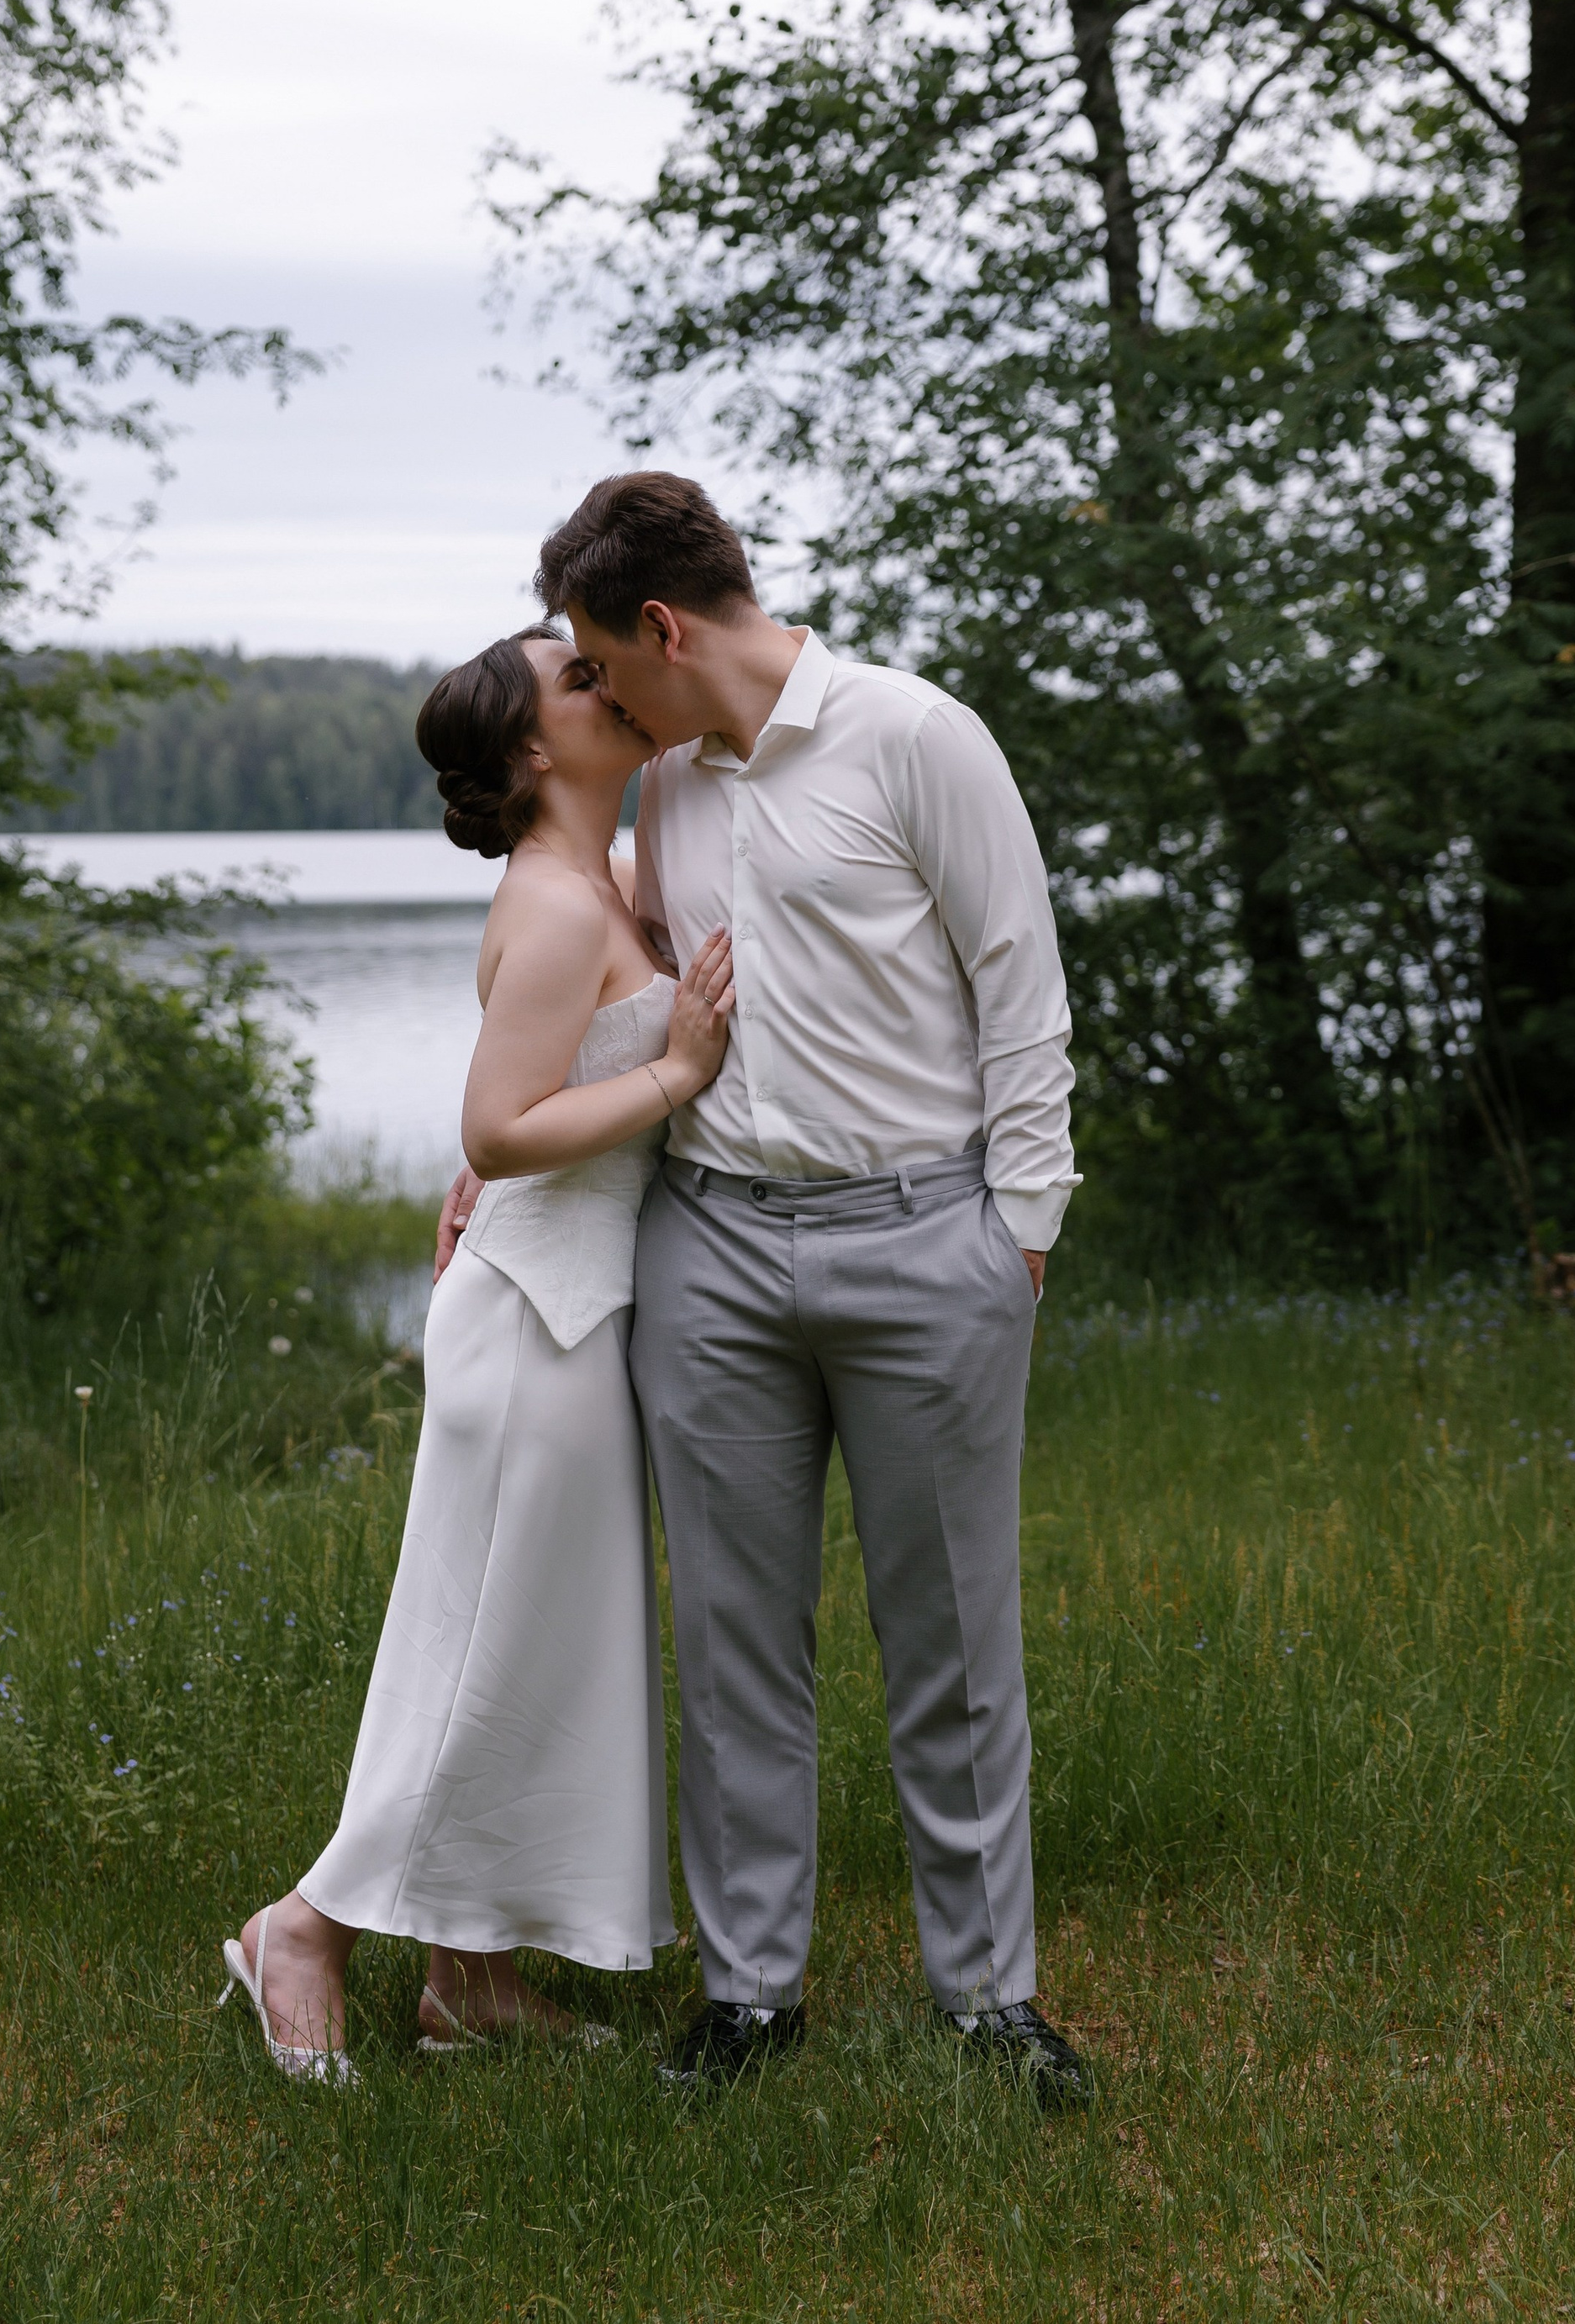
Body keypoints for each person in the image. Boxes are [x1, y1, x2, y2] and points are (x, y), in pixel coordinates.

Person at [439, 472, 1089, 2105]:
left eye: (596, 665)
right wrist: (490, 1154)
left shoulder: (915, 736)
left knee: (948, 1639)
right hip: (712, 1253)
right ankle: (747, 1997)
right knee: (733, 1646)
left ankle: (986, 1995)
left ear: (661, 629)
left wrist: (1013, 1233)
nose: (595, 699)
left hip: (925, 1244)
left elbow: (1021, 989)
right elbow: (619, 991)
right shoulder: (675, 786)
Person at [221, 624, 734, 2077]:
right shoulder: (567, 906)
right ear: (529, 751)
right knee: (475, 1657)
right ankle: (303, 1928)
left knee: (537, 1653)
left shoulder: (614, 879)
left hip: (578, 1310)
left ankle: (473, 1980)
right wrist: (675, 1071)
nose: (610, 682)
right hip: (533, 1321)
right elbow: (497, 1129)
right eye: (579, 681)